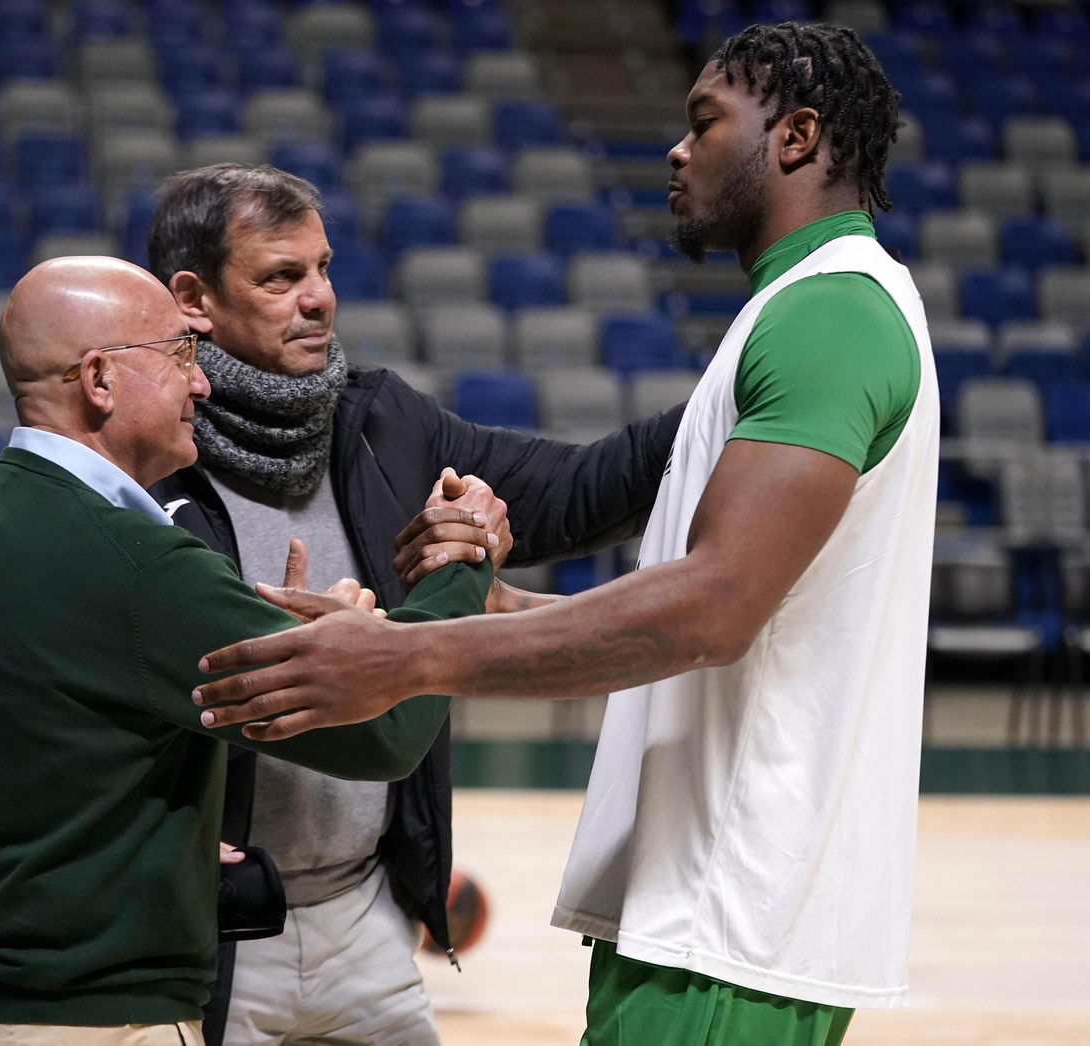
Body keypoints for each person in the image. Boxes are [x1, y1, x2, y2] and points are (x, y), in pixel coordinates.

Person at [193, 23, 936, 1046]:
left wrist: (402, 655)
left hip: (729, 908)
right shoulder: (798, 314)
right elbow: (709, 610)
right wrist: (496, 604)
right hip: (702, 902)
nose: (677, 151)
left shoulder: (828, 315)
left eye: (703, 123)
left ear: (798, 136)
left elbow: (711, 609)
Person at [0, 256, 504, 1046]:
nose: (201, 386)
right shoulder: (140, 568)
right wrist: (459, 565)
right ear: (99, 379)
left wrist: (165, 831)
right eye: (180, 357)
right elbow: (385, 734)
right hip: (97, 1019)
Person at [142, 164, 686, 1046]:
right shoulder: (145, 458)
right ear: (194, 298)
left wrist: (739, 391)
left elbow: (582, 488)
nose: (318, 298)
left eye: (322, 269)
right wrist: (464, 564)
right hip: (209, 934)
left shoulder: (382, 422)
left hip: (366, 922)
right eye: (281, 277)